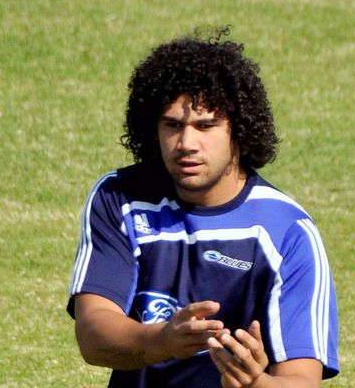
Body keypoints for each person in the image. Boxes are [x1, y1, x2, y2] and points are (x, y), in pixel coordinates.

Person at [67, 28, 340, 388]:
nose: (186, 143)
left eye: (206, 125)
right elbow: (93, 334)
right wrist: (162, 341)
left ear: (239, 130)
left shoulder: (287, 231)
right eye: (172, 125)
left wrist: (254, 383)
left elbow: (301, 381)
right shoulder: (121, 199)